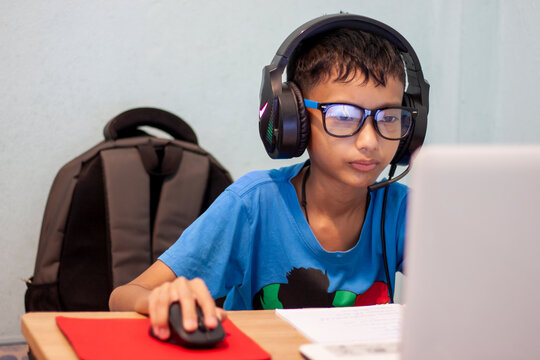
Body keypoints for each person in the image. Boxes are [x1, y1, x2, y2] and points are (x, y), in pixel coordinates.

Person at [109, 13, 428, 342]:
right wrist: (156, 298)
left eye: (389, 117)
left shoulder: (403, 210)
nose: (370, 141)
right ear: (294, 120)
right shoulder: (253, 204)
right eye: (343, 116)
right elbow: (123, 296)